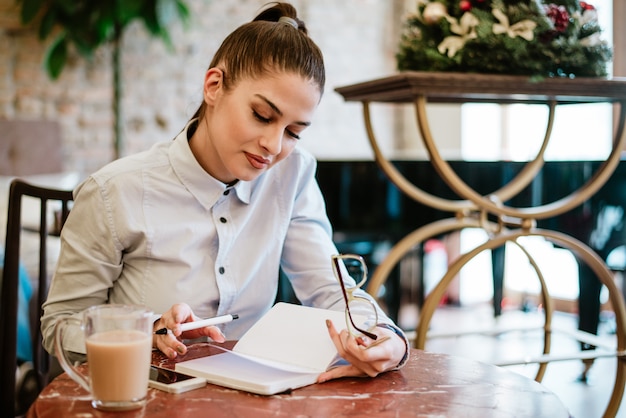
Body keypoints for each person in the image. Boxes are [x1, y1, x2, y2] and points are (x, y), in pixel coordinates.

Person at [41, 2, 408, 382]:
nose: (273, 143)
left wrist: (386, 336)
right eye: (262, 116)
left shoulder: (292, 175)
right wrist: (148, 333)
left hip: (251, 397)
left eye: (294, 132)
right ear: (214, 85)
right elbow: (60, 325)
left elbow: (332, 292)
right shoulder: (114, 191)